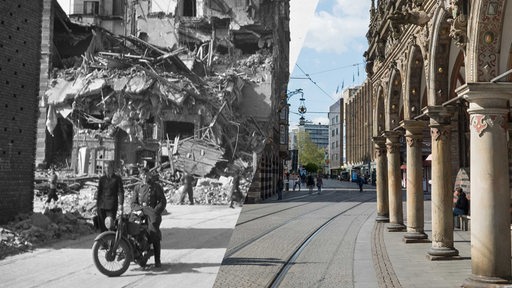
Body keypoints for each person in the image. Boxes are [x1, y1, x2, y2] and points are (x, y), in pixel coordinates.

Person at [131, 167, 167, 268]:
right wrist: (139, 210)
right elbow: (133, 203)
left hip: (152, 214)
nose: (145, 177)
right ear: (140, 176)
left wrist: (155, 211)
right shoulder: (138, 187)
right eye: (143, 175)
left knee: (154, 233)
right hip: (141, 213)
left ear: (149, 175)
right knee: (132, 230)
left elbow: (162, 201)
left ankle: (157, 260)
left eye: (146, 175)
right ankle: (136, 255)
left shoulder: (156, 187)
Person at [96, 160, 124, 232]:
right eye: (105, 168)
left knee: (110, 225)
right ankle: (103, 242)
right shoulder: (102, 179)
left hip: (111, 206)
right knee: (102, 227)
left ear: (112, 168)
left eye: (108, 168)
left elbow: (120, 192)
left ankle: (111, 242)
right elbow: (99, 192)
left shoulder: (117, 179)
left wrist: (121, 204)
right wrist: (97, 205)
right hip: (102, 206)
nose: (107, 169)